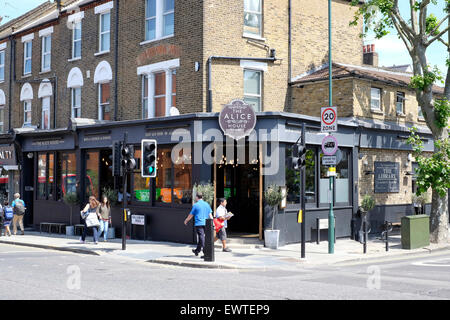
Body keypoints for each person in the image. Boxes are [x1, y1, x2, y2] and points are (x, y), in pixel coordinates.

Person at [184, 192, 213, 258]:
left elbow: (191, 215)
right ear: (202, 197)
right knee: (201, 237)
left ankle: (206, 252)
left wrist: (186, 220)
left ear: (197, 197)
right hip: (207, 223)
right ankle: (197, 250)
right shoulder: (207, 204)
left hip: (199, 223)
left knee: (201, 237)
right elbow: (210, 215)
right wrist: (212, 223)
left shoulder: (196, 205)